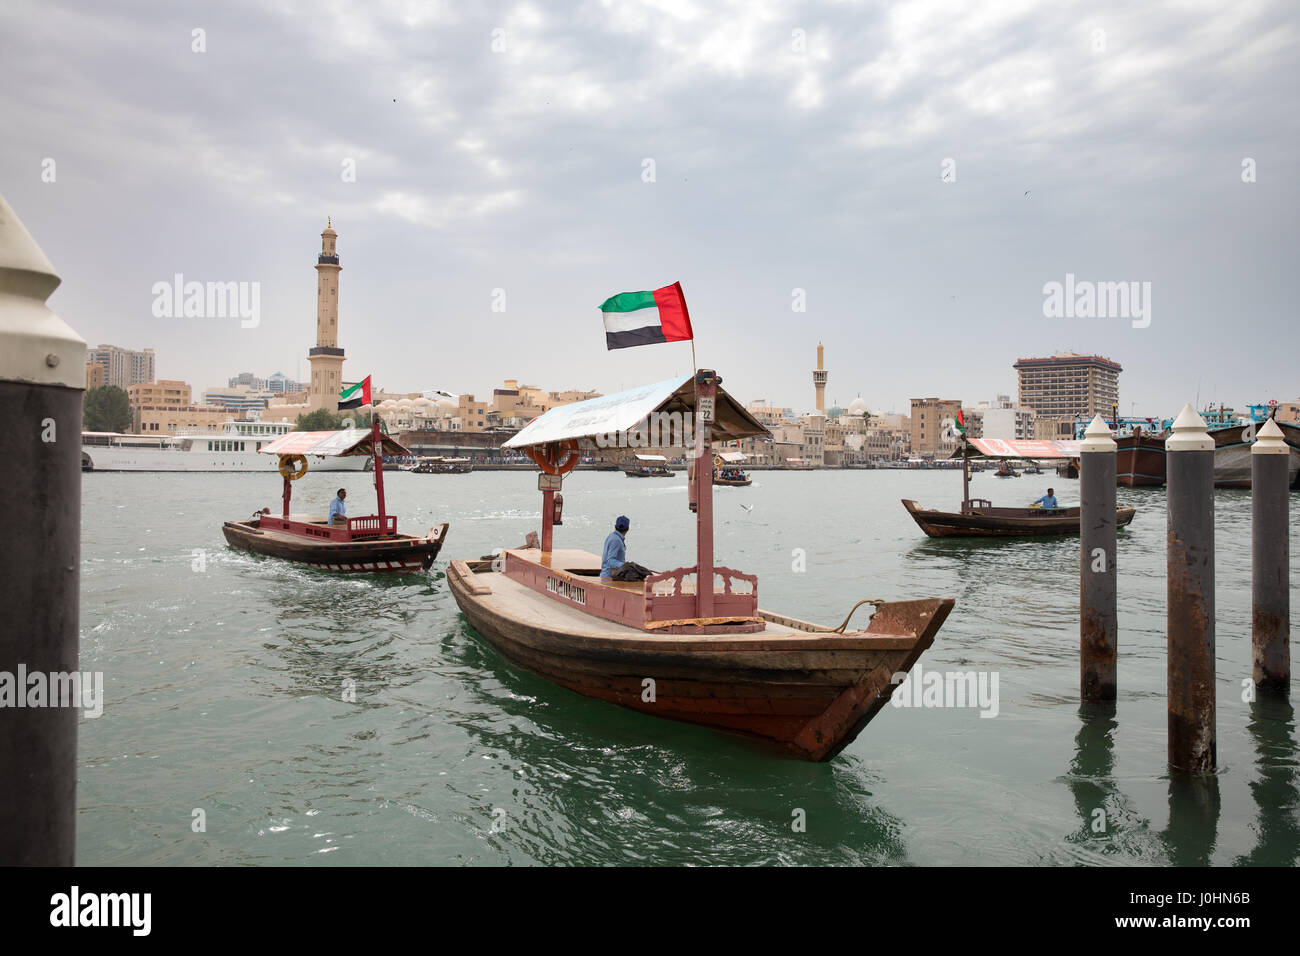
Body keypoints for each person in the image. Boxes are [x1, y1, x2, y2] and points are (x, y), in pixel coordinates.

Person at [601, 515, 629, 582]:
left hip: (608, 575)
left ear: (615, 526)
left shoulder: (612, 536)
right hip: (609, 578)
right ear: (628, 529)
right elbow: (611, 561)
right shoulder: (616, 540)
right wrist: (624, 565)